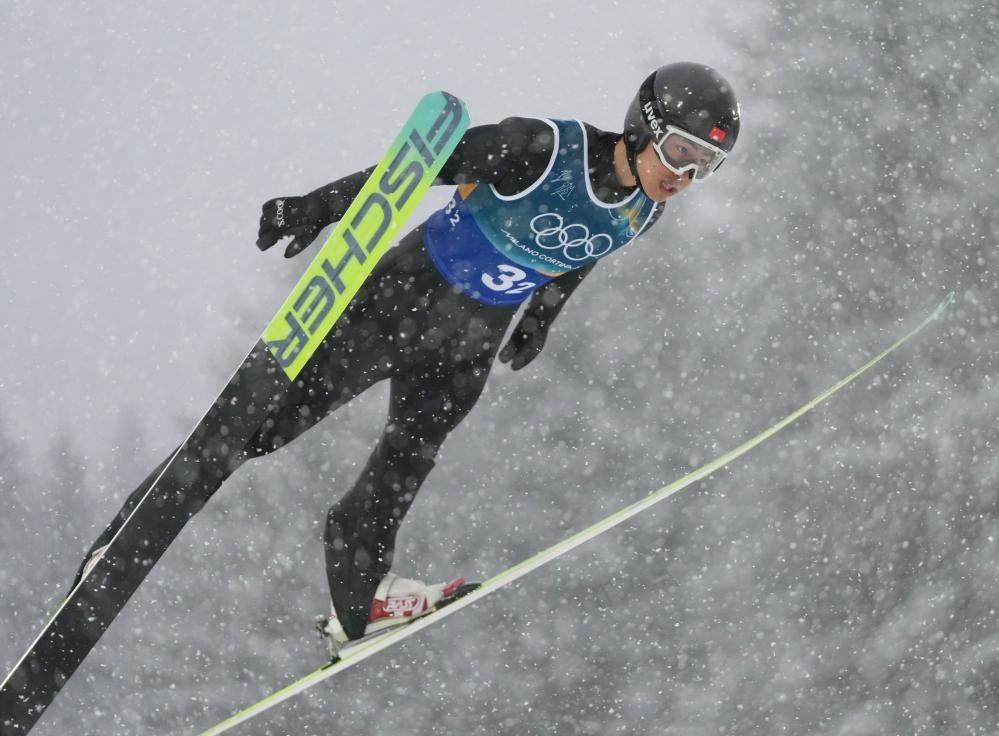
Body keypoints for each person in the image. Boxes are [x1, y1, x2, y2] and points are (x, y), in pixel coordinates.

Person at [77, 62, 740, 646]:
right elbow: (416, 168)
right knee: (264, 427)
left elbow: (580, 253)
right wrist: (321, 205)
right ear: (644, 126)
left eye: (704, 168)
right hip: (398, 306)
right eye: (681, 153)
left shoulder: (641, 211)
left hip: (469, 345)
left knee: (406, 461)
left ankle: (359, 593)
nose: (685, 177)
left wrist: (542, 315)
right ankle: (127, 533)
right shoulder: (540, 147)